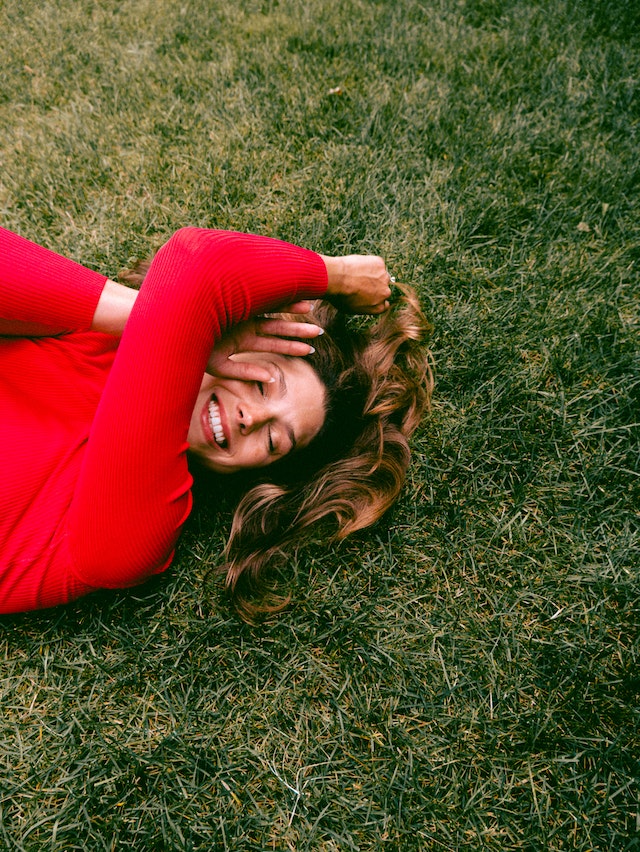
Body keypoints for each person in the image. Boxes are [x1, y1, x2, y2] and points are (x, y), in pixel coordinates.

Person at [0, 226, 433, 620]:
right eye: (261, 383)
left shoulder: (142, 532)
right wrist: (170, 322)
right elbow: (194, 273)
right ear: (245, 340)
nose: (252, 417)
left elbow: (199, 266)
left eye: (273, 440)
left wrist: (338, 276)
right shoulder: (96, 338)